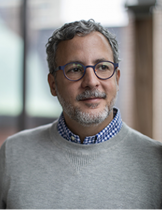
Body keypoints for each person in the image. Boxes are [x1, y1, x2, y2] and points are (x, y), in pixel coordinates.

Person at [0, 19, 162, 210]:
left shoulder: (156, 162)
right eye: (75, 69)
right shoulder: (12, 154)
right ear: (53, 84)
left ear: (117, 78)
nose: (91, 82)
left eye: (102, 67)